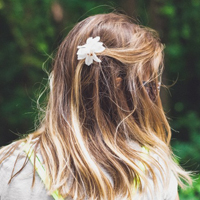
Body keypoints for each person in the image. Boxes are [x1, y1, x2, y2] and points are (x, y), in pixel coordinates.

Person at [0, 12, 192, 200]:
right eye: (148, 85)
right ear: (119, 86)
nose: (153, 94)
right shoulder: (153, 170)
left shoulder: (9, 166)